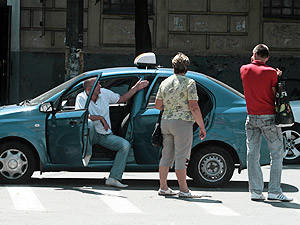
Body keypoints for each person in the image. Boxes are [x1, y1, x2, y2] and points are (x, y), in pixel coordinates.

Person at [240, 44, 293, 202]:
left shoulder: (244, 69)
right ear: (267, 58)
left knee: (252, 153)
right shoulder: (271, 72)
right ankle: (274, 191)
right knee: (276, 153)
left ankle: (256, 191)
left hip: (251, 117)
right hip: (268, 117)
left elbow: (251, 71)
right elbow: (274, 94)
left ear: (254, 54)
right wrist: (278, 76)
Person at [75, 77, 149, 188]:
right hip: (91, 134)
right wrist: (100, 118)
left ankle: (114, 178)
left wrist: (136, 88)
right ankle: (87, 153)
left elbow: (122, 99)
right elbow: (82, 116)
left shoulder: (104, 93)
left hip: (105, 135)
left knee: (125, 146)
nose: (101, 86)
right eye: (98, 84)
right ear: (89, 90)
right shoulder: (81, 97)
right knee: (89, 123)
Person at [155, 52, 206, 197]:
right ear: (186, 68)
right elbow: (194, 107)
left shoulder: (165, 82)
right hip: (182, 123)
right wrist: (201, 126)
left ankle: (163, 187)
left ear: (173, 67)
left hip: (166, 122)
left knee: (166, 155)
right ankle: (184, 190)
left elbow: (158, 105)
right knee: (181, 156)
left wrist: (170, 108)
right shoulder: (189, 83)